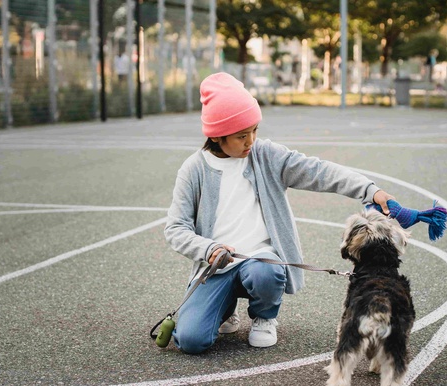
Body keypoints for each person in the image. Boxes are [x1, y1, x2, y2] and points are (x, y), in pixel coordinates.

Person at [164, 72, 394, 354]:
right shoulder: (194, 169)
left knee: (267, 271)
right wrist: (208, 247)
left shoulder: (266, 155)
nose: (251, 141)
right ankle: (225, 308)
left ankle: (264, 316)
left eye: (254, 131)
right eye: (241, 136)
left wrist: (370, 190)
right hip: (217, 266)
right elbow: (176, 228)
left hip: (261, 261)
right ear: (217, 135)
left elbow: (318, 171)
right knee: (191, 341)